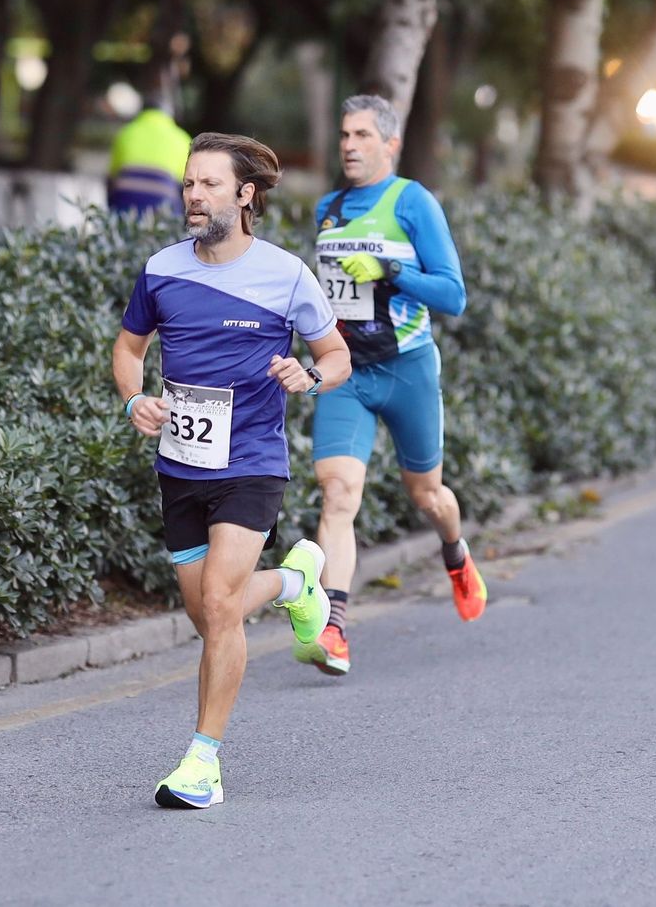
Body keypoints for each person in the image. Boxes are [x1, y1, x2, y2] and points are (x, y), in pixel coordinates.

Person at [112, 132, 352, 809]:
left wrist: (308, 375)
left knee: (220, 603)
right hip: (181, 465)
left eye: (209, 184)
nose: (194, 195)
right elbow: (128, 349)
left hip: (251, 462)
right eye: (189, 183)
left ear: (245, 195)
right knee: (208, 615)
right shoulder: (161, 270)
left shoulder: (286, 275)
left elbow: (336, 356)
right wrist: (134, 398)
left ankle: (202, 763)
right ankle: (296, 582)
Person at [300, 94, 481, 678]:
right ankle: (334, 628)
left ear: (390, 144)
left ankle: (455, 552)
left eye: (362, 135)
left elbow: (453, 295)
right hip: (347, 372)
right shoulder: (329, 207)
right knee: (338, 494)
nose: (349, 145)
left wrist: (391, 270)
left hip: (407, 368)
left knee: (428, 497)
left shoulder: (412, 202)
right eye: (344, 135)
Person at [108, 98, 193, 215]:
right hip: (163, 204)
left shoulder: (125, 132)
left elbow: (111, 177)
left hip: (123, 202)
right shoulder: (182, 138)